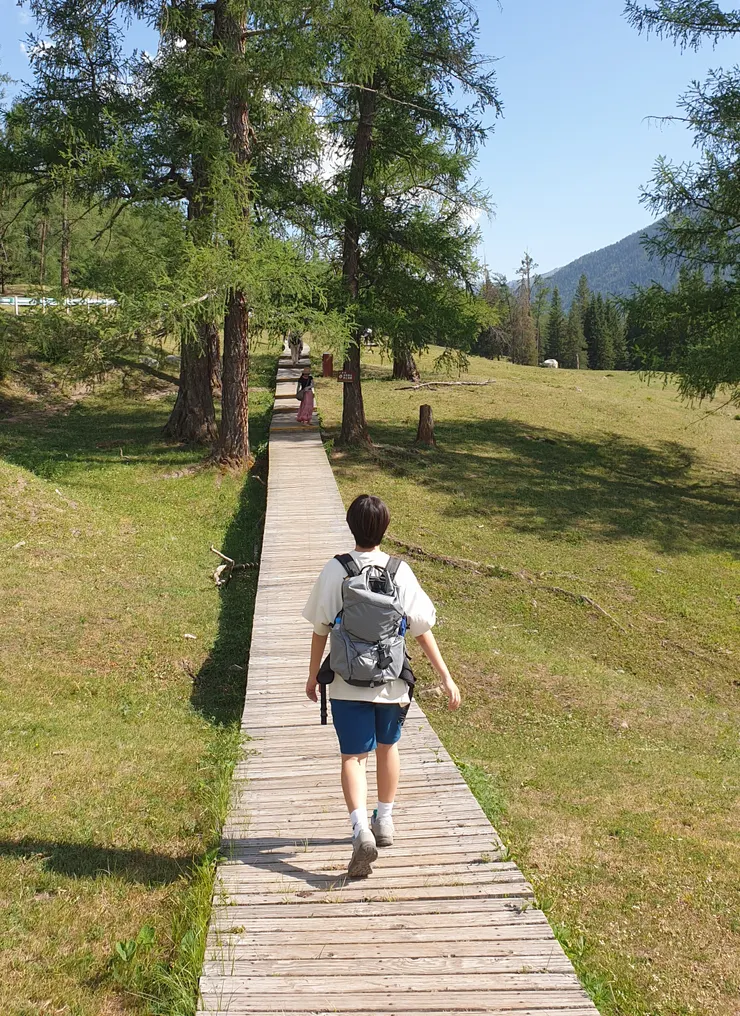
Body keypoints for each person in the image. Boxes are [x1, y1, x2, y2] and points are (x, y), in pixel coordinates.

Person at [303, 494, 461, 878]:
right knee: (389, 747)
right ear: (385, 528)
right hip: (391, 681)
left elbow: (320, 627)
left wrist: (312, 675)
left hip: (346, 680)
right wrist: (445, 676)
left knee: (353, 757)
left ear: (351, 525)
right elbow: (421, 628)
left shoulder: (337, 569)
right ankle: (385, 820)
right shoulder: (398, 570)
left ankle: (360, 828)